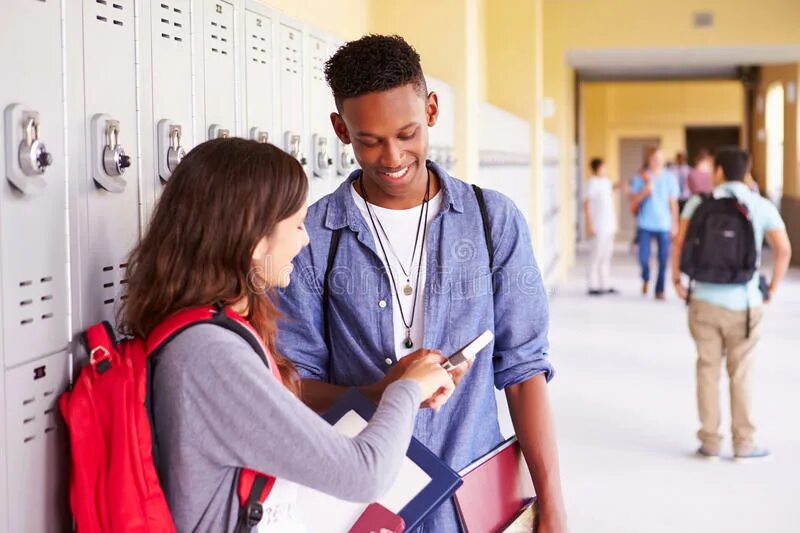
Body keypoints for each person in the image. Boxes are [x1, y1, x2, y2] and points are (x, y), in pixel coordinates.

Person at [277, 35, 568, 532]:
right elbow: (291, 383)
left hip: (472, 504)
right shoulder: (312, 237)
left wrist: (553, 502)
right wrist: (384, 392)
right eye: (370, 140)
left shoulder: (492, 221)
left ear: (431, 110)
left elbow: (524, 372)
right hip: (361, 502)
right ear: (341, 130)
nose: (392, 157)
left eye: (407, 133)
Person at [118, 138, 456, 532]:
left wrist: (386, 390)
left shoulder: (210, 338)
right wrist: (408, 390)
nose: (305, 239)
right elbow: (365, 474)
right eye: (297, 224)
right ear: (255, 237)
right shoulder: (210, 355)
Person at [672, 147, 792, 462]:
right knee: (742, 374)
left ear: (720, 171)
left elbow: (679, 241)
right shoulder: (759, 204)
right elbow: (783, 249)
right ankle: (744, 444)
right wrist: (771, 288)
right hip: (745, 303)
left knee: (707, 369)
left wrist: (676, 280)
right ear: (746, 172)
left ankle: (710, 443)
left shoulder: (698, 203)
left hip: (703, 301)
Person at [629, 145, 679, 300]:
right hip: (645, 223)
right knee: (643, 258)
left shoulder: (669, 178)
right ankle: (645, 277)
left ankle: (659, 290)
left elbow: (673, 203)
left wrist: (675, 224)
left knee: (663, 259)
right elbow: (633, 200)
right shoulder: (641, 178)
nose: (657, 161)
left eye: (660, 158)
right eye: (654, 159)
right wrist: (644, 191)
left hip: (664, 224)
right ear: (649, 160)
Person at [583, 157, 618, 295]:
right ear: (597, 168)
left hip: (609, 226)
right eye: (604, 167)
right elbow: (586, 205)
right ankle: (592, 285)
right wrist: (589, 224)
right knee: (595, 256)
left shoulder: (606, 182)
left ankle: (605, 285)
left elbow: (611, 189)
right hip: (598, 226)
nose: (606, 170)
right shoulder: (592, 183)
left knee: (606, 256)